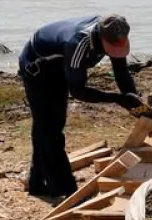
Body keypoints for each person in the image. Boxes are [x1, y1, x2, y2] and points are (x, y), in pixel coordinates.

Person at [18, 14, 141, 199]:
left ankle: (37, 183)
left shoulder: (113, 32)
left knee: (51, 124)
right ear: (101, 37)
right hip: (38, 68)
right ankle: (65, 190)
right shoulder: (77, 43)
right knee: (49, 128)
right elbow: (78, 91)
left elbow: (121, 72)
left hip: (62, 66)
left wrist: (135, 103)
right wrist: (117, 98)